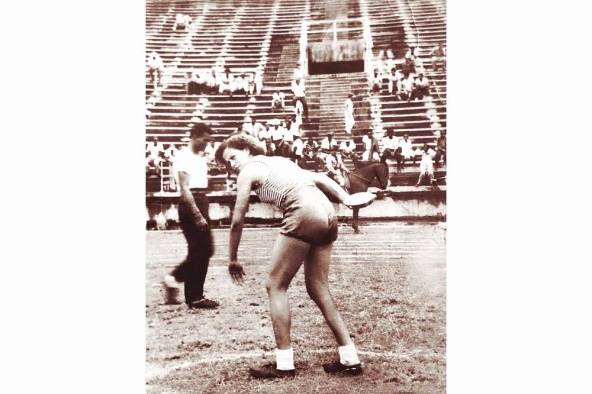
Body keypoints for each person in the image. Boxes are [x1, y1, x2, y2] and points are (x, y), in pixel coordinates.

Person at [214, 134, 373, 379]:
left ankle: (284, 364)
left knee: (275, 285)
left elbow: (237, 219)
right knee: (318, 287)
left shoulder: (249, 170)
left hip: (304, 213)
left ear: (246, 149)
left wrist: (233, 258)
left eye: (233, 157)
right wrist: (346, 199)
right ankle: (350, 358)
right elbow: (319, 178)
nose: (231, 165)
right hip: (327, 213)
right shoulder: (281, 161)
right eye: (227, 163)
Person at [161, 123, 219, 309]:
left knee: (202, 250)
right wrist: (197, 214)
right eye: (205, 140)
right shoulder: (184, 156)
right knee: (201, 250)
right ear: (194, 136)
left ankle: (191, 293)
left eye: (210, 141)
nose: (207, 144)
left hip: (201, 200)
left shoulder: (199, 158)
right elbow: (185, 188)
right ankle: (190, 292)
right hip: (191, 203)